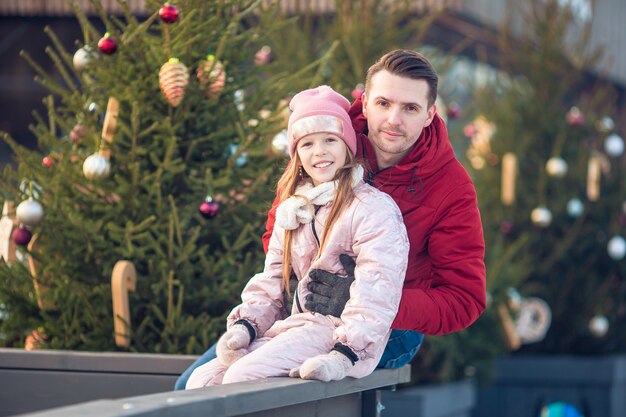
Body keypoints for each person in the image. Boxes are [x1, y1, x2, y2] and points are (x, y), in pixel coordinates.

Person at [176, 49, 486, 389]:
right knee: (193, 387)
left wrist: (364, 297)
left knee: (250, 385)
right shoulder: (328, 141)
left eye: (410, 108)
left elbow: (464, 298)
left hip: (387, 325)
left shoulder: (450, 187)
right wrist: (294, 284)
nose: (393, 119)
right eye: (384, 103)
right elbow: (280, 230)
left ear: (430, 114)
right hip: (301, 312)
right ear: (365, 103)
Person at [185, 85, 409, 388]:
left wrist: (346, 352)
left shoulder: (372, 208)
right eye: (307, 144)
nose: (319, 152)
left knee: (242, 378)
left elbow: (378, 290)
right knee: (201, 381)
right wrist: (246, 326)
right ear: (297, 155)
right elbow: (273, 278)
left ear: (347, 146)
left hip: (338, 333)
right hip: (294, 325)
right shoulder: (294, 209)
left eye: (330, 139)